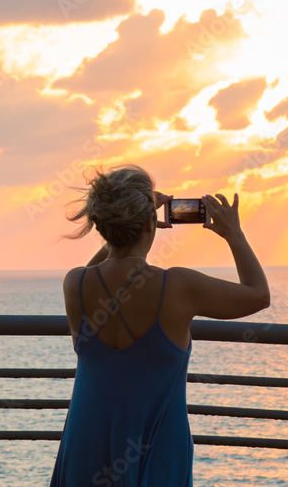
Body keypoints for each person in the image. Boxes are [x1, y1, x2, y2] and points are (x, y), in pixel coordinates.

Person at [49, 164, 270, 486]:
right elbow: (258, 295)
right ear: (150, 223)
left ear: (99, 226)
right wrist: (234, 234)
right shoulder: (177, 286)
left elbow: (99, 266)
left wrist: (132, 223)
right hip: (153, 441)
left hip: (87, 437)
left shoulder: (76, 284)